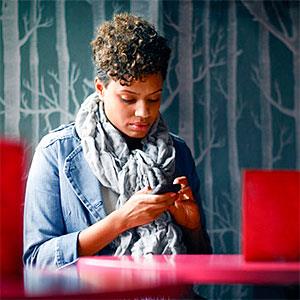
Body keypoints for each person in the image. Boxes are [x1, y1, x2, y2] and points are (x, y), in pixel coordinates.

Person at [23, 13, 212, 269]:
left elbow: (203, 263)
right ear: (101, 89)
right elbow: (36, 261)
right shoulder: (55, 152)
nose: (143, 112)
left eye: (154, 98)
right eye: (128, 99)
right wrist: (121, 221)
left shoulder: (177, 152)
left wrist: (193, 227)